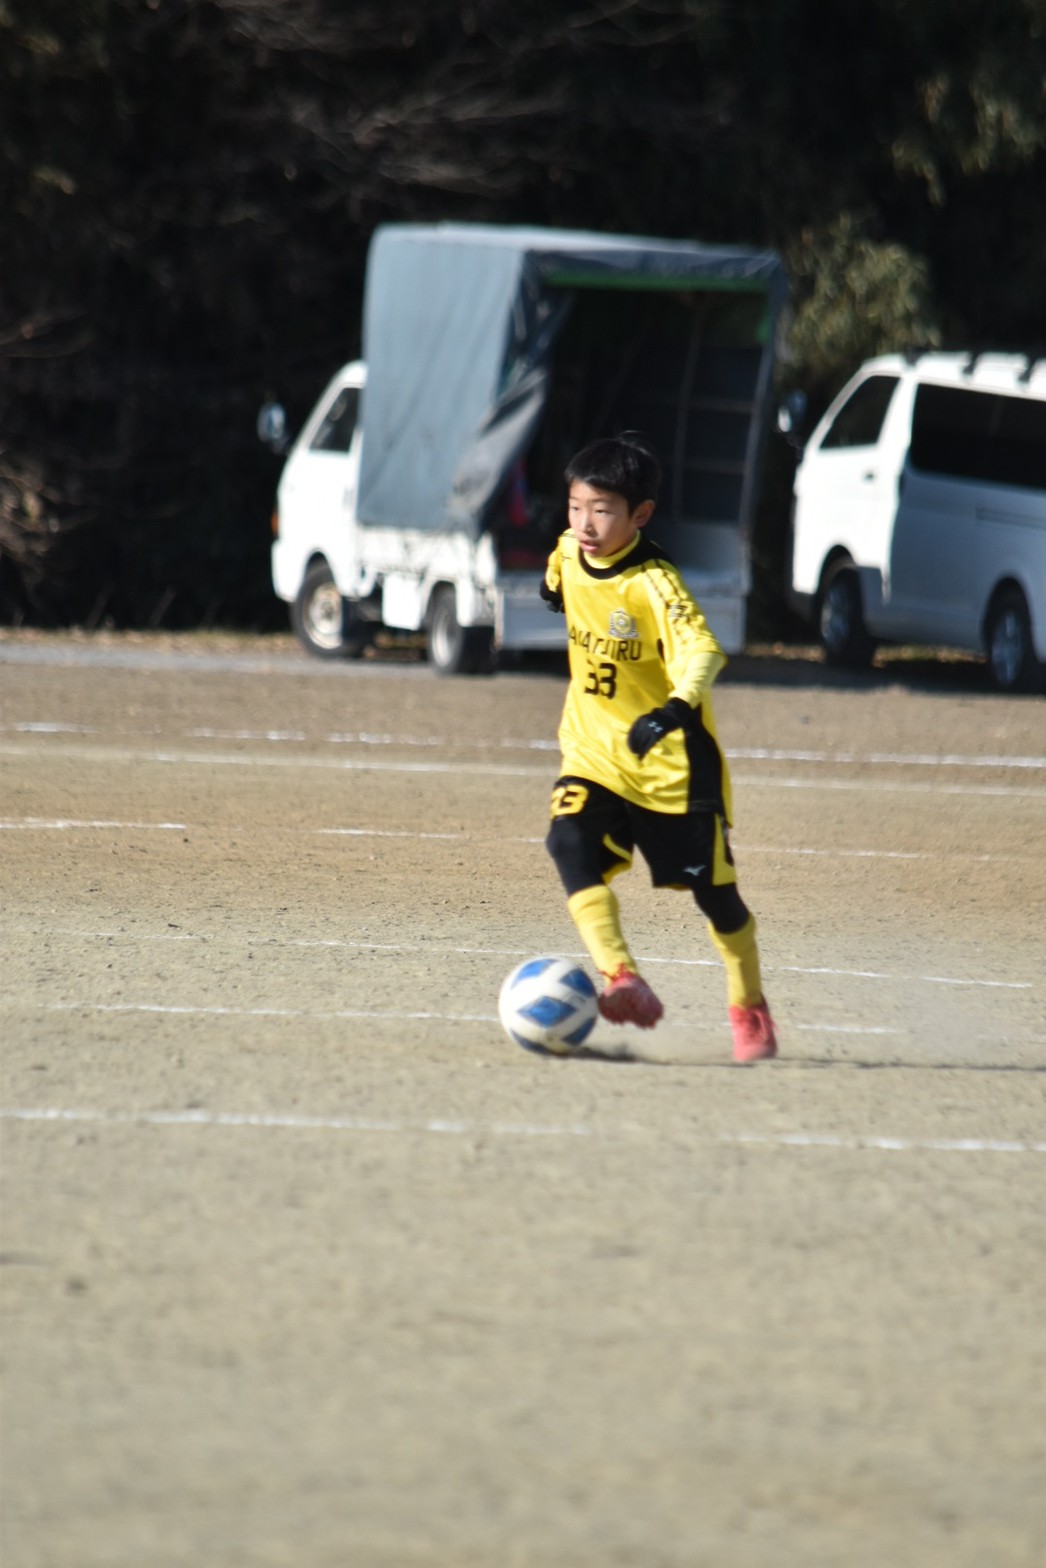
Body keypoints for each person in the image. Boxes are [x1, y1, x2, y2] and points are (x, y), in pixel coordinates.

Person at [540, 432, 778, 1063]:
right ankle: (623, 977)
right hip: (594, 753)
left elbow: (703, 649)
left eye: (603, 510)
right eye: (576, 506)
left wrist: (675, 709)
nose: (585, 524)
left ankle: (747, 1005)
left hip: (671, 769)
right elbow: (559, 578)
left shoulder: (655, 582)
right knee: (566, 842)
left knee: (718, 902)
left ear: (640, 515)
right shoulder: (567, 552)